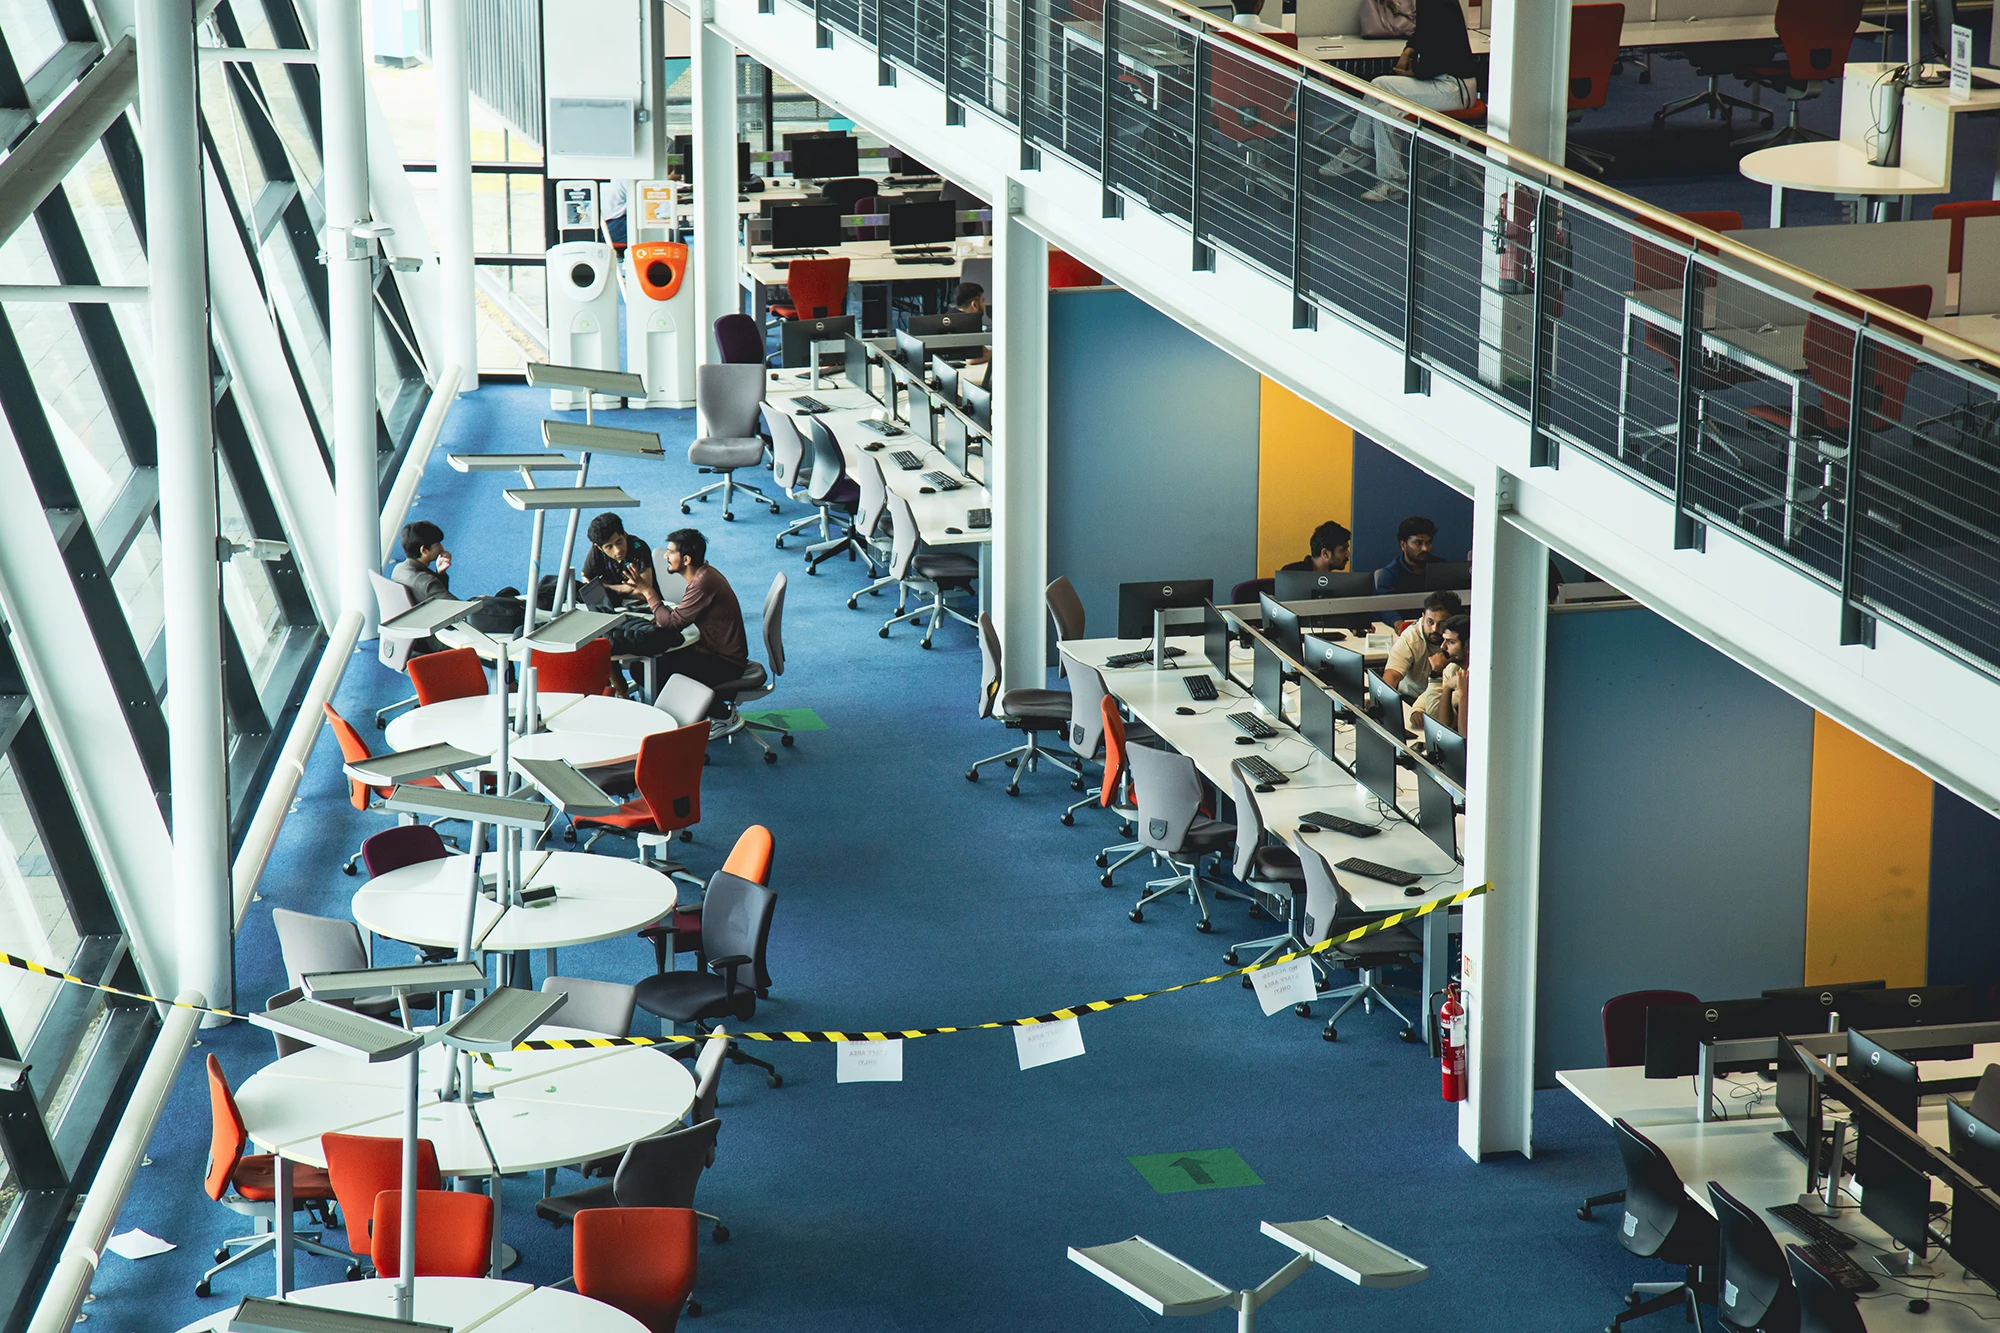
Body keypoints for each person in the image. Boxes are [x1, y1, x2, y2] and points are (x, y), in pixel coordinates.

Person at [1319, 0, 1476, 204]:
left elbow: (1439, 58)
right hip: (1441, 81)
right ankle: (1393, 182)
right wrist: (1408, 51)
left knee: (1378, 86)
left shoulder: (1439, 3)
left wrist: (1413, 72)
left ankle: (1359, 149)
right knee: (1384, 111)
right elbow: (1424, 33)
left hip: (1454, 89)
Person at [632, 528, 752, 691]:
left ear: (686, 559)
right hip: (715, 653)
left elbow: (671, 624)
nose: (665, 556)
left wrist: (648, 591)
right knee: (652, 661)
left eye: (670, 552)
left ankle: (722, 714)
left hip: (726, 664)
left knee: (641, 670)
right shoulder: (705, 574)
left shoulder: (702, 585)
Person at [1382, 590, 1461, 701]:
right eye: (1430, 622)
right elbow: (1392, 675)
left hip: (1445, 700)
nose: (1434, 629)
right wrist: (1382, 700)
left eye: (1442, 624)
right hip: (1410, 698)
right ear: (1423, 617)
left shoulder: (1462, 642)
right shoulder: (1411, 637)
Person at [579, 512, 656, 610]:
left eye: (619, 541)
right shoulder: (596, 551)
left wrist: (604, 586)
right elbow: (587, 585)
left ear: (624, 534)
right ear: (599, 548)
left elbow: (644, 591)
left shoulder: (639, 547)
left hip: (645, 607)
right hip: (616, 608)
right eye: (609, 547)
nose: (618, 550)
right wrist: (624, 589)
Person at [1415, 614, 1469, 735]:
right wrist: (1447, 687)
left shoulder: (1478, 678)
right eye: (1444, 640)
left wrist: (1462, 692)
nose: (1442, 646)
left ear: (1468, 647)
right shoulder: (1452, 668)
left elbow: (1464, 735)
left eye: (1451, 642)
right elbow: (1443, 723)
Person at [392, 521, 452, 603]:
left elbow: (437, 595)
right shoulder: (428, 582)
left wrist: (440, 574)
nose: (442, 548)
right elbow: (459, 609)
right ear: (424, 550)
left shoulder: (398, 569)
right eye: (437, 544)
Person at [1374, 515, 1436, 594]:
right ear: (1403, 545)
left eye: (1428, 543)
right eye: (1418, 543)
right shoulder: (1390, 575)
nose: (1425, 549)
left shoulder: (1442, 568)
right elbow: (1386, 605)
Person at [1279, 520, 1351, 575]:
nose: (1348, 554)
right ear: (1325, 553)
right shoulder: (1290, 574)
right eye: (1343, 550)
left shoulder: (1336, 582)